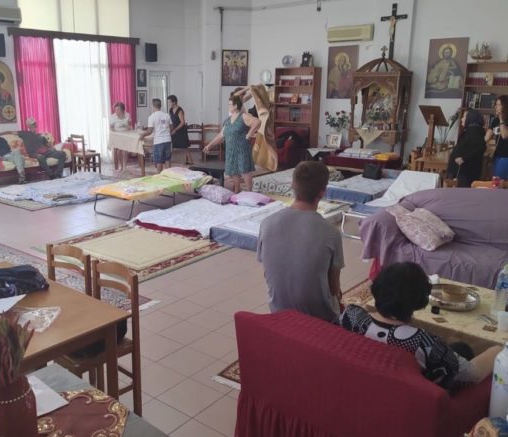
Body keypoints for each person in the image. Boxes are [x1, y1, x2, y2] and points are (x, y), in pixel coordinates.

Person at [340, 262, 501, 389]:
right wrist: (498, 349)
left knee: (460, 347)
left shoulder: (351, 315)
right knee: (464, 350)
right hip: (414, 395)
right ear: (420, 300)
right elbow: (473, 374)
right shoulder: (423, 341)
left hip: (365, 379)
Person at [257, 161, 344, 321]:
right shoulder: (331, 233)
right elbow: (334, 288)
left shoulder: (266, 224)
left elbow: (270, 271)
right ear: (322, 192)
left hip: (279, 312)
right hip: (320, 320)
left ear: (293, 186)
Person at [203, 95, 260, 193]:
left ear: (236, 105)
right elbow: (221, 135)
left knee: (245, 171)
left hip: (242, 150)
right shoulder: (228, 120)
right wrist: (209, 145)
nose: (228, 106)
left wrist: (249, 134)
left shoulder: (243, 116)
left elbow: (257, 122)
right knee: (234, 172)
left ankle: (250, 192)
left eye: (230, 104)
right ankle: (237, 190)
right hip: (230, 150)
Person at [446, 109, 486, 187]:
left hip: (466, 172)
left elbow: (481, 147)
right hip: (463, 171)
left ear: (470, 118)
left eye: (464, 116)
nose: (461, 119)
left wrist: (464, 158)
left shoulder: (475, 131)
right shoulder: (471, 130)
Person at [140, 99, 172, 173]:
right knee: (167, 159)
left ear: (153, 106)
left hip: (158, 142)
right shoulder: (166, 115)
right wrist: (165, 132)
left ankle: (159, 176)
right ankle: (170, 176)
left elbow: (149, 131)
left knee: (158, 160)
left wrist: (142, 135)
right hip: (168, 140)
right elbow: (172, 127)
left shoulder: (152, 117)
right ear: (160, 106)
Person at [486, 95, 508, 179]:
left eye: (498, 105)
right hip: (497, 155)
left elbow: (504, 135)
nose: (496, 107)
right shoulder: (495, 120)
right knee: (495, 180)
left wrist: (501, 119)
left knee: (500, 181)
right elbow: (486, 137)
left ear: (505, 106)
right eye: (496, 104)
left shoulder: (502, 120)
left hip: (506, 156)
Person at [167, 95, 192, 165]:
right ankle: (168, 160)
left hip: (181, 130)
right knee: (171, 144)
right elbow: (171, 121)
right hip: (174, 129)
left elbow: (182, 122)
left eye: (169, 102)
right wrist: (170, 129)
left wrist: (175, 130)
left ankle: (190, 161)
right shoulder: (170, 110)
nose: (168, 104)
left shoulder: (180, 110)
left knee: (185, 146)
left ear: (174, 102)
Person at [109, 102, 132, 172]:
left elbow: (130, 126)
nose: (116, 111)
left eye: (118, 110)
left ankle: (125, 166)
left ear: (122, 110)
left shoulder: (127, 115)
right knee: (119, 151)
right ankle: (121, 166)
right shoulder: (112, 117)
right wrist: (114, 133)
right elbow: (111, 128)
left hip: (125, 135)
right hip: (117, 136)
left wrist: (128, 127)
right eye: (115, 110)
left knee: (124, 150)